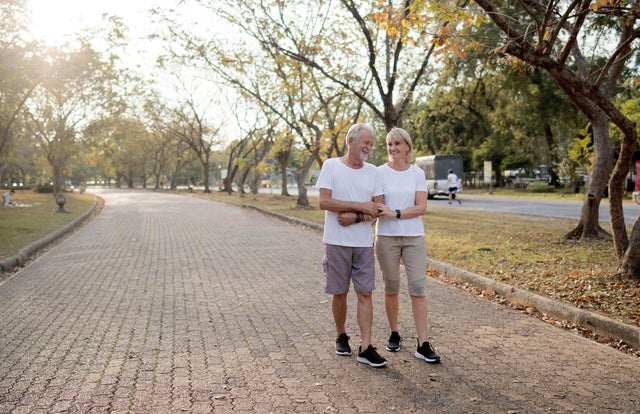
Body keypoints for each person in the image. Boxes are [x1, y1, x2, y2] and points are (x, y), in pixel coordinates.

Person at [316, 123, 388, 368]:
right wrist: (359, 207)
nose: (369, 147)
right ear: (350, 142)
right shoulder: (331, 166)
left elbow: (378, 207)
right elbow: (324, 202)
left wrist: (355, 218)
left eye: (371, 143)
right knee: (340, 292)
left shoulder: (373, 171)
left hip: (364, 243)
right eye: (365, 142)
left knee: (366, 292)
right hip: (336, 241)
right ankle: (341, 335)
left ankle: (366, 347)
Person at [373, 127, 441, 364]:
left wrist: (397, 212)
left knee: (418, 287)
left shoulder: (417, 174)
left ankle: (423, 344)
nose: (393, 148)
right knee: (391, 286)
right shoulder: (379, 172)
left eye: (397, 144)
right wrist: (387, 212)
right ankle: (394, 332)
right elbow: (379, 206)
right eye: (390, 144)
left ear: (407, 147)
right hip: (387, 237)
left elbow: (421, 206)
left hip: (414, 237)